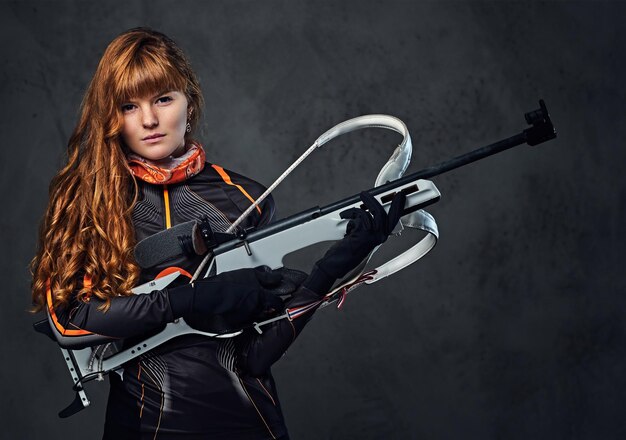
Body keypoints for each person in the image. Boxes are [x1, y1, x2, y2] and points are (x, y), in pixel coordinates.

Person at [31, 28, 405, 439]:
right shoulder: (90, 200)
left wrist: (333, 267)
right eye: (129, 106)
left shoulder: (246, 197)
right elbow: (69, 323)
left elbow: (256, 356)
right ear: (112, 116)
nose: (149, 119)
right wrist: (187, 299)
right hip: (144, 427)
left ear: (189, 102)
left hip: (251, 422)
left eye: (163, 99)